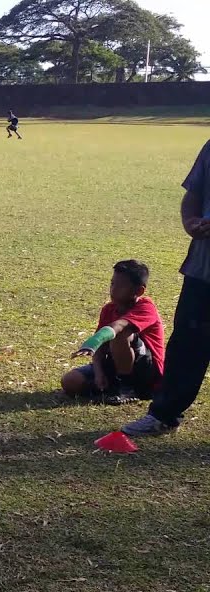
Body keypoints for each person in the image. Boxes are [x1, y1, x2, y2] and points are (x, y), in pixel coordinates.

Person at [124, 139, 210, 437]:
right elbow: (194, 194)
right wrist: (190, 222)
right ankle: (164, 414)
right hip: (203, 270)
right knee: (187, 346)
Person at [61, 260, 165, 406]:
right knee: (70, 381)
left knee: (120, 334)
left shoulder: (146, 307)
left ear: (139, 291)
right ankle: (110, 389)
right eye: (112, 283)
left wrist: (93, 342)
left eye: (121, 285)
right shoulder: (109, 309)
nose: (113, 289)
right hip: (116, 365)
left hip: (146, 371)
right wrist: (98, 372)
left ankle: (127, 388)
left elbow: (118, 326)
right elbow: (101, 348)